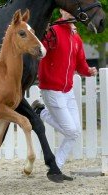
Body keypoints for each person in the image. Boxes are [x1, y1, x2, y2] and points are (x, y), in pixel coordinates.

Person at [32, 9, 97, 178]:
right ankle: (41, 112)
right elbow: (38, 51)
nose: (70, 13)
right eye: (66, 10)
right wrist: (42, 32)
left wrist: (89, 71)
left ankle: (56, 169)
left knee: (74, 133)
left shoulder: (76, 37)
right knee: (71, 131)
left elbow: (80, 65)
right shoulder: (52, 31)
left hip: (67, 92)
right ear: (61, 10)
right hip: (51, 89)